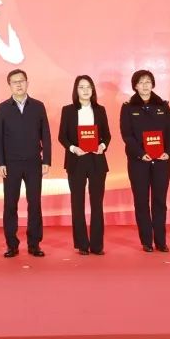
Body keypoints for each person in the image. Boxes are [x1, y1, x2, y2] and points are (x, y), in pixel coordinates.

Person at [0, 69, 51, 258]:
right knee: (10, 204)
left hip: (34, 162)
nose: (18, 84)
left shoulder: (38, 106)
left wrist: (46, 160)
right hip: (11, 164)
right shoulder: (2, 108)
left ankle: (34, 244)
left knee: (34, 204)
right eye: (14, 82)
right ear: (9, 85)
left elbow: (46, 135)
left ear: (27, 83)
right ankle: (12, 245)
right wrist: (0, 163)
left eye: (21, 81)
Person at [120, 70, 170, 252]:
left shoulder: (163, 105)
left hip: (161, 161)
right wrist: (140, 153)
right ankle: (146, 241)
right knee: (141, 201)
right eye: (141, 82)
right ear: (135, 86)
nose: (145, 85)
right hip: (139, 161)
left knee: (160, 201)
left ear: (153, 84)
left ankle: (161, 241)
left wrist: (168, 152)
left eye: (148, 82)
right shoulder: (128, 108)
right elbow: (127, 135)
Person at [57, 75, 111, 255]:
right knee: (77, 204)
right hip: (76, 160)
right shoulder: (68, 110)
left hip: (96, 161)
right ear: (76, 90)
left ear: (93, 89)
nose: (85, 90)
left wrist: (102, 146)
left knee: (97, 204)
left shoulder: (100, 110)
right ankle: (82, 244)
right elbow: (62, 136)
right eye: (81, 87)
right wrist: (74, 149)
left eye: (88, 86)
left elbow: (107, 135)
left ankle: (97, 245)